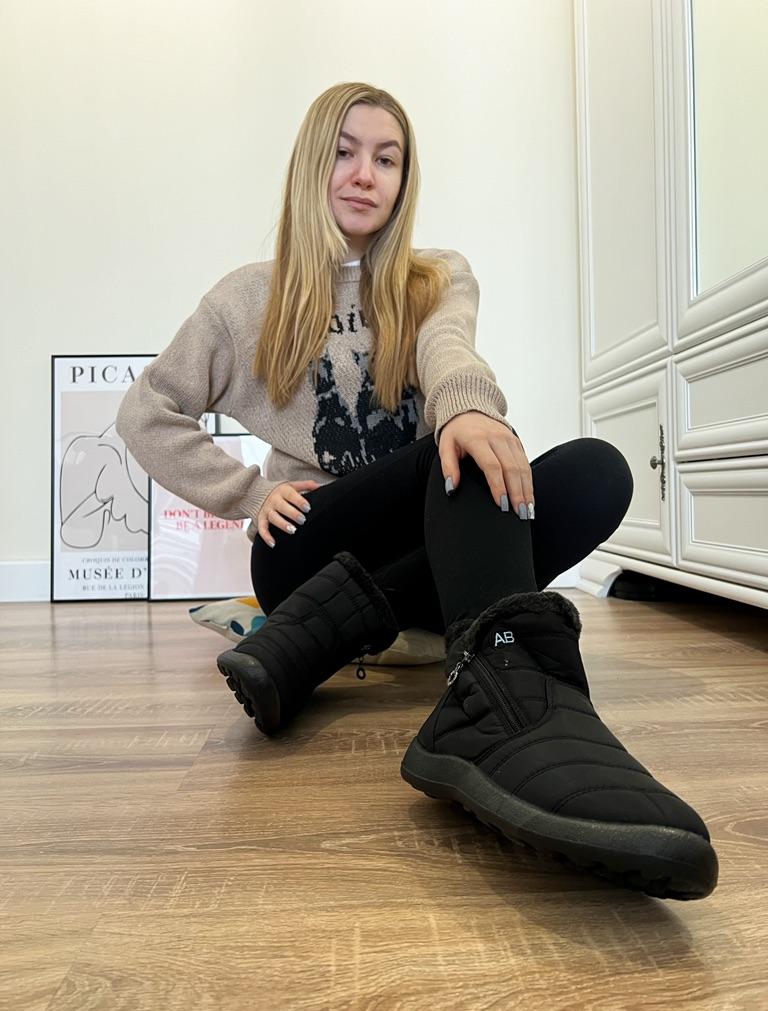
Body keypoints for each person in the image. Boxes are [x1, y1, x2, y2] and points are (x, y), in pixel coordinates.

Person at [116, 82, 718, 900]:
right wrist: (248, 494)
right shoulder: (246, 298)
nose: (366, 174)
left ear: (405, 179)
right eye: (344, 152)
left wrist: (467, 406)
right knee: (452, 450)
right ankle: (498, 687)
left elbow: (448, 353)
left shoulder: (437, 276)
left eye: (387, 158)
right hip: (307, 551)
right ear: (312, 164)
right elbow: (146, 411)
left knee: (593, 471)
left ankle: (338, 649)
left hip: (423, 548)